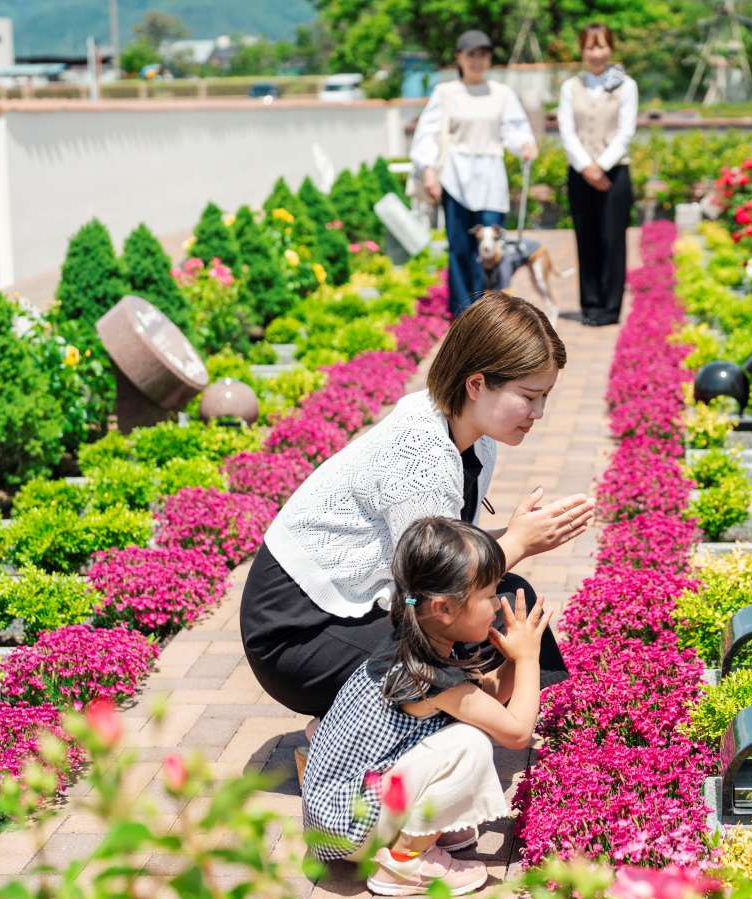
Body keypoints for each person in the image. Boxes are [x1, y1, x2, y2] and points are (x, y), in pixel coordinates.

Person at [239, 292, 590, 768]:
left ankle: (526, 721)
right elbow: (431, 590)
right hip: (299, 631)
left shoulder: (475, 440)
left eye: (545, 396)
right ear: (477, 384)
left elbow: (450, 555)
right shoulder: (419, 458)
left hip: (364, 605)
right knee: (439, 650)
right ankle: (342, 743)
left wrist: (517, 540)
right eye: (529, 396)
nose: (538, 412)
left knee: (509, 601)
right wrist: (518, 541)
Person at [302, 516, 550, 895]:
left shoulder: (412, 645)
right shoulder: (426, 675)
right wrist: (531, 659)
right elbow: (516, 732)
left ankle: (424, 831)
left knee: (464, 732)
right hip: (351, 828)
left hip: (340, 816)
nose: (497, 603)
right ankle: (404, 863)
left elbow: (485, 700)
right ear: (444, 610)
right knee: (470, 744)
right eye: (488, 595)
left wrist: (514, 660)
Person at [411, 30, 538, 319]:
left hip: (491, 176)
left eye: (483, 54)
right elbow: (427, 134)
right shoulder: (445, 93)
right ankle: (462, 312)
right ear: (459, 57)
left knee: (492, 247)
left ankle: (490, 310)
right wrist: (429, 171)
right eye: (471, 54)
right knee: (459, 246)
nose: (477, 61)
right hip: (456, 177)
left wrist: (525, 145)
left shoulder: (502, 93)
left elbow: (514, 130)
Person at [556, 23, 637, 327]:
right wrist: (586, 167)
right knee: (585, 238)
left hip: (615, 173)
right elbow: (566, 130)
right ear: (582, 50)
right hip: (580, 173)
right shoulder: (570, 87)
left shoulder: (626, 85)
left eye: (601, 46)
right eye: (590, 47)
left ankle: (610, 307)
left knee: (612, 240)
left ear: (611, 48)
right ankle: (589, 304)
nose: (596, 53)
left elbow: (626, 131)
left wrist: (601, 165)